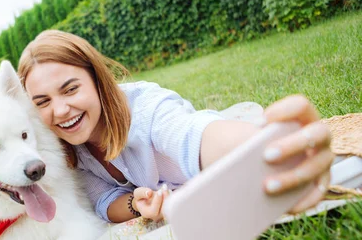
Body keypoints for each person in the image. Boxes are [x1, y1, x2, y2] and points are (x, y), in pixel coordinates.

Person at [17, 30, 333, 223]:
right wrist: (135, 203)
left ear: (98, 81)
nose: (60, 110)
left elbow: (192, 135)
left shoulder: (147, 110)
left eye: (71, 89)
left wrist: (266, 149)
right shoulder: (65, 149)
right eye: (42, 101)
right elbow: (102, 201)